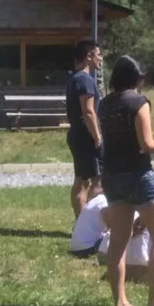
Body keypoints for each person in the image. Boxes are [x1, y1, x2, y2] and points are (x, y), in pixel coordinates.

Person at [96, 54, 154, 306]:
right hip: (138, 175)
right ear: (137, 78)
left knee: (118, 240)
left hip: (112, 176)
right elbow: (145, 144)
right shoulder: (138, 102)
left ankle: (120, 303)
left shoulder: (104, 104)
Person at [64, 39, 103, 218]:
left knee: (81, 181)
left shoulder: (75, 78)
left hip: (77, 134)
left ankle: (81, 223)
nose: (100, 59)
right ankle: (92, 223)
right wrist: (97, 137)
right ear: (89, 56)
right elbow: (88, 112)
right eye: (98, 54)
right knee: (97, 181)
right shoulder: (85, 80)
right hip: (86, 137)